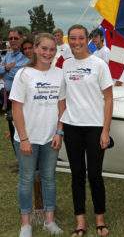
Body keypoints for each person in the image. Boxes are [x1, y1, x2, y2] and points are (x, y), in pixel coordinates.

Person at [59, 24, 113, 237]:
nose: (76, 42)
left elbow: (108, 98)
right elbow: (62, 99)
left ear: (88, 39)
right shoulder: (65, 65)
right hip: (72, 127)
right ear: (68, 40)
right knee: (77, 175)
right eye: (72, 38)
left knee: (95, 174)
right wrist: (60, 129)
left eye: (81, 38)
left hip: (94, 127)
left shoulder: (99, 64)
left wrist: (105, 130)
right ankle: (80, 220)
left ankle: (100, 218)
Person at [9, 33, 64, 237]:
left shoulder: (59, 74)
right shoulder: (23, 74)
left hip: (51, 137)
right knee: (26, 179)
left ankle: (49, 220)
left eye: (51, 49)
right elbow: (16, 108)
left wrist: (59, 131)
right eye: (44, 48)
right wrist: (23, 138)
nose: (47, 53)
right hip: (27, 139)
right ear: (35, 49)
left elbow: (62, 104)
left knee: (49, 178)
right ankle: (26, 224)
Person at [0, 28, 29, 153]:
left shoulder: (26, 55)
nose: (12, 41)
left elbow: (20, 74)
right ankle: (19, 158)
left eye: (15, 38)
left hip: (22, 98)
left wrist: (6, 70)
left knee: (23, 128)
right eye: (10, 38)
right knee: (12, 128)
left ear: (22, 39)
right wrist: (6, 68)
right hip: (9, 97)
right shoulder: (7, 55)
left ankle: (28, 159)